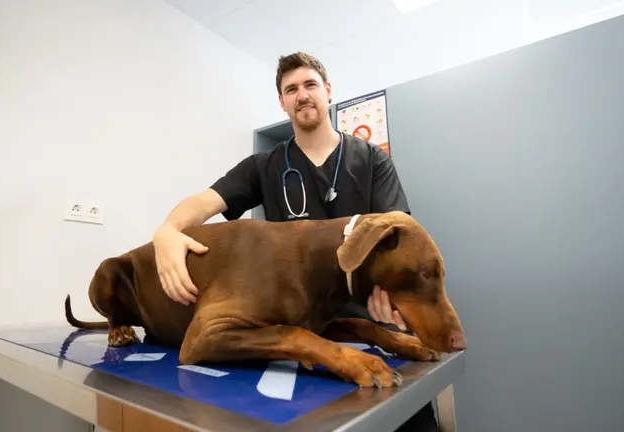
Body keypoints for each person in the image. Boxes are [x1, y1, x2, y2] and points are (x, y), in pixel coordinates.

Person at [152, 52, 439, 432]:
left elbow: (399, 231)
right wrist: (166, 232)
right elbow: (204, 202)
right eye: (291, 89)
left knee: (407, 421)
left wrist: (394, 299)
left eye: (310, 85)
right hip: (299, 329)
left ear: (328, 91)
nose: (302, 95)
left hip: (365, 319)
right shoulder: (264, 166)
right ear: (282, 102)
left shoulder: (370, 160)